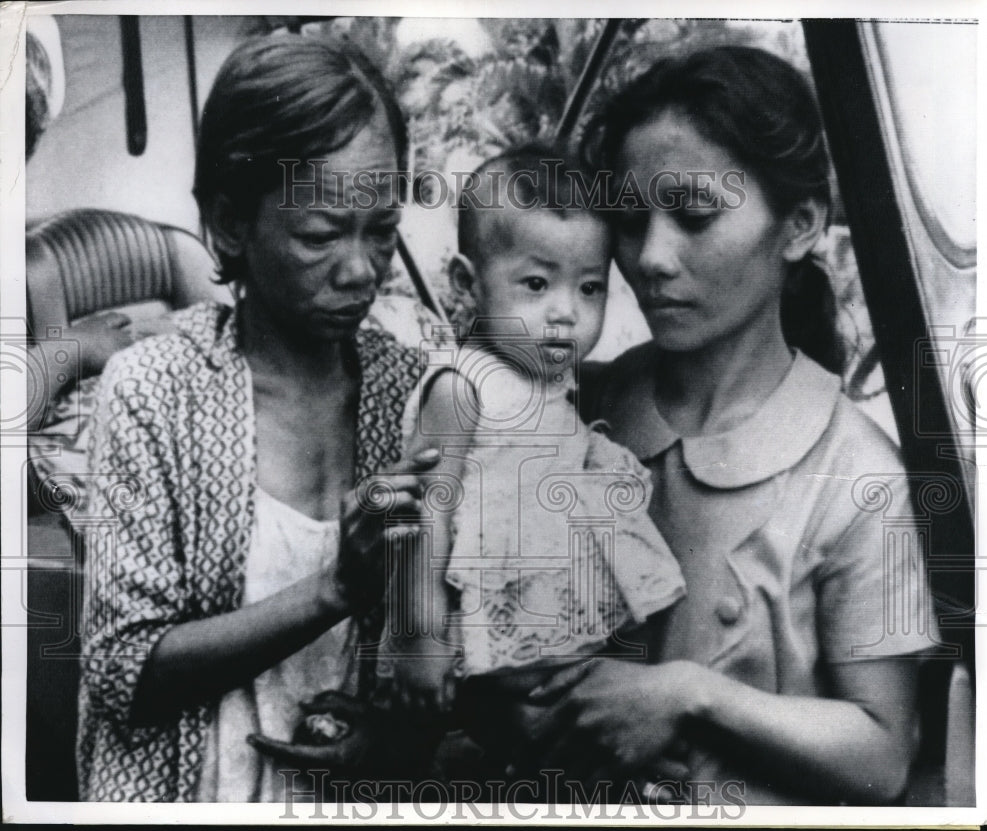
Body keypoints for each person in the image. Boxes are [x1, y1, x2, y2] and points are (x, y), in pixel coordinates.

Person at [510, 46, 941, 805]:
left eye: (694, 215)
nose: (651, 256)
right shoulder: (580, 410)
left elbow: (883, 754)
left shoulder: (859, 472)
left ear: (801, 224)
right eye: (631, 220)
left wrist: (688, 694)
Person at [77, 34, 432, 802]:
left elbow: (443, 639)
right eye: (320, 234)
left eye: (382, 231)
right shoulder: (155, 391)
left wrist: (396, 736)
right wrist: (332, 590)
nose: (361, 269)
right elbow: (121, 675)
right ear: (232, 223)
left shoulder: (411, 393)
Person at [373, 145, 686, 712]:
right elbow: (423, 513)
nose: (566, 312)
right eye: (537, 285)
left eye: (590, 288)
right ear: (469, 284)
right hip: (488, 616)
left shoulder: (552, 378)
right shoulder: (460, 386)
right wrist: (421, 634)